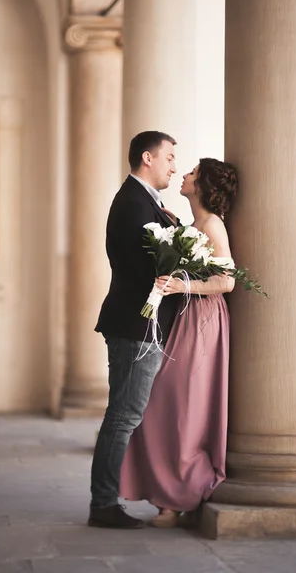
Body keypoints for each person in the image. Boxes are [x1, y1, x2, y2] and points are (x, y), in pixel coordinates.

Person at [119, 157, 238, 528]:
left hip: (203, 321)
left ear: (200, 186)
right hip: (185, 319)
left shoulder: (213, 224)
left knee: (183, 405)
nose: (183, 175)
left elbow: (227, 281)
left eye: (191, 173)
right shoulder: (192, 223)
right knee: (163, 405)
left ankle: (178, 497)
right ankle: (165, 497)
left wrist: (182, 285)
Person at [89, 131, 181, 529]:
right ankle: (104, 504)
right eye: (170, 158)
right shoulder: (133, 203)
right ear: (148, 158)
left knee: (124, 414)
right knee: (124, 416)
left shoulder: (143, 201)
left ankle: (107, 499)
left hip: (137, 322)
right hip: (135, 324)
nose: (174, 166)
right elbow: (150, 266)